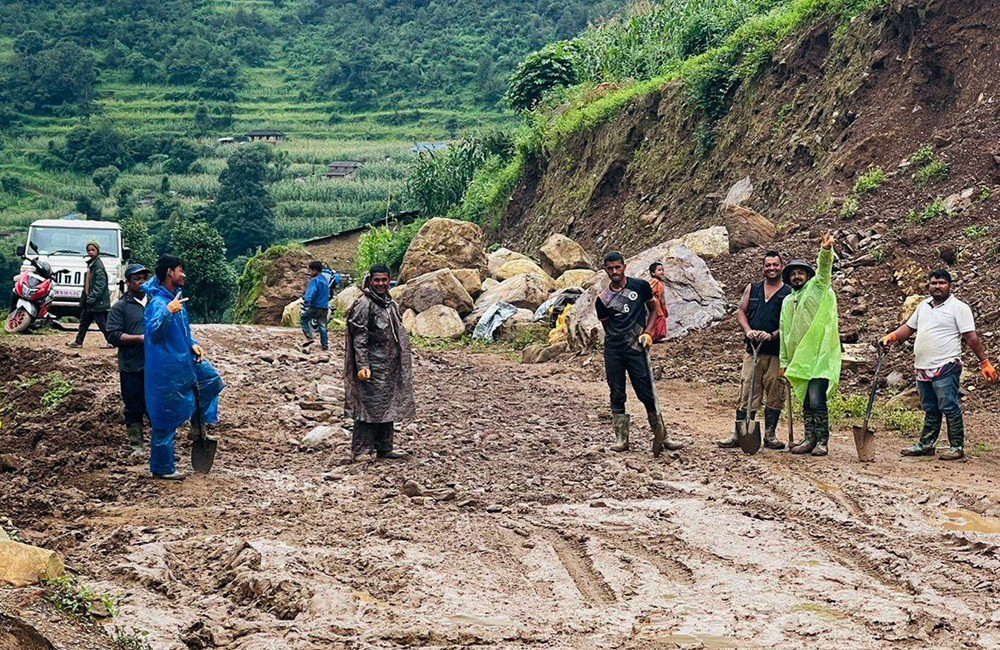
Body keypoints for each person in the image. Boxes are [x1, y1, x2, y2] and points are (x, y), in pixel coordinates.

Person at [880, 270, 998, 460]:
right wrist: (891, 337)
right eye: (933, 283)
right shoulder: (923, 306)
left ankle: (956, 446)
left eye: (942, 283)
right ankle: (926, 445)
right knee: (930, 407)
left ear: (950, 285)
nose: (937, 286)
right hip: (923, 366)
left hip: (946, 364)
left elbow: (971, 337)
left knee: (949, 405)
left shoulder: (958, 308)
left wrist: (984, 362)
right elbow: (909, 328)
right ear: (929, 285)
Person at [142, 255, 224, 480]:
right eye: (180, 270)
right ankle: (162, 467)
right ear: (170, 272)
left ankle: (197, 424)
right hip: (167, 367)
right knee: (165, 415)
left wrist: (193, 344)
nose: (184, 274)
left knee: (211, 381)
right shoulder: (159, 304)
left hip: (184, 360)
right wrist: (169, 311)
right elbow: (155, 333)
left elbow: (183, 333)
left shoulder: (176, 300)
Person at [596, 252, 683, 455]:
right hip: (614, 350)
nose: (614, 271)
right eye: (610, 268)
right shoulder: (602, 299)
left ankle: (662, 434)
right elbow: (607, 325)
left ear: (624, 267)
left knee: (646, 391)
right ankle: (621, 438)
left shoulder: (640, 286)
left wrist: (647, 332)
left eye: (618, 267)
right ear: (606, 270)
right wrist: (620, 339)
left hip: (637, 348)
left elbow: (653, 310)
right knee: (617, 392)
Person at [718, 251, 792, 450]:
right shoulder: (754, 288)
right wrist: (748, 330)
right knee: (748, 389)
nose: (772, 268)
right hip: (753, 350)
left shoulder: (789, 292)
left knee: (775, 390)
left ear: (781, 267)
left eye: (775, 265)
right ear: (763, 268)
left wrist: (774, 334)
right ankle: (739, 433)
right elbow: (740, 311)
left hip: (777, 352)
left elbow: (792, 321)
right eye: (768, 265)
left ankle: (770, 435)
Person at [344, 264, 415, 462]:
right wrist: (363, 365)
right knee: (368, 406)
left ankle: (384, 447)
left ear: (389, 280)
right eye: (377, 280)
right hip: (372, 366)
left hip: (389, 366)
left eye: (384, 280)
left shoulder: (390, 304)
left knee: (387, 404)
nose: (381, 284)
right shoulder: (364, 304)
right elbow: (359, 337)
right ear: (370, 281)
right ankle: (361, 450)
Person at [779, 233, 841, 457]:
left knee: (817, 399)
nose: (797, 277)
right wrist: (784, 361)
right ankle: (809, 438)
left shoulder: (816, 289)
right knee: (805, 401)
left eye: (801, 273)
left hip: (818, 357)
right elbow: (785, 332)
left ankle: (822, 441)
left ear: (807, 276)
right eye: (793, 274)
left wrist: (825, 251)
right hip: (798, 359)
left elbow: (824, 272)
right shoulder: (787, 301)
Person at [106, 263, 150, 458]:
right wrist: (139, 339)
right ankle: (137, 446)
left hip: (155, 365)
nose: (141, 282)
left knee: (156, 405)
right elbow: (113, 335)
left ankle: (159, 446)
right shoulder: (120, 307)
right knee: (133, 406)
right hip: (131, 365)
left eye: (144, 278)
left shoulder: (155, 302)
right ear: (128, 282)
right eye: (136, 279)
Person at [68, 241, 111, 348]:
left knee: (101, 323)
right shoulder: (92, 264)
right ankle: (78, 342)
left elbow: (99, 286)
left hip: (96, 302)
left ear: (98, 251)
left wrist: (91, 298)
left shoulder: (98, 266)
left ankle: (111, 341)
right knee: (84, 322)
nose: (90, 252)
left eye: (93, 250)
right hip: (91, 301)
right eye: (89, 250)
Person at [301, 260, 330, 351]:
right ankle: (325, 345)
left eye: (311, 271)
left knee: (304, 318)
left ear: (315, 271)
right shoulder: (325, 281)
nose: (310, 273)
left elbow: (311, 293)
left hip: (315, 307)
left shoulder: (314, 281)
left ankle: (310, 337)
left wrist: (307, 302)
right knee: (323, 326)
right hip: (324, 307)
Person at [647, 262, 669, 342]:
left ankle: (653, 336)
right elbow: (658, 295)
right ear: (653, 273)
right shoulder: (655, 282)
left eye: (663, 270)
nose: (662, 272)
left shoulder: (655, 282)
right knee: (660, 317)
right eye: (659, 270)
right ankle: (659, 336)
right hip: (656, 303)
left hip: (655, 302)